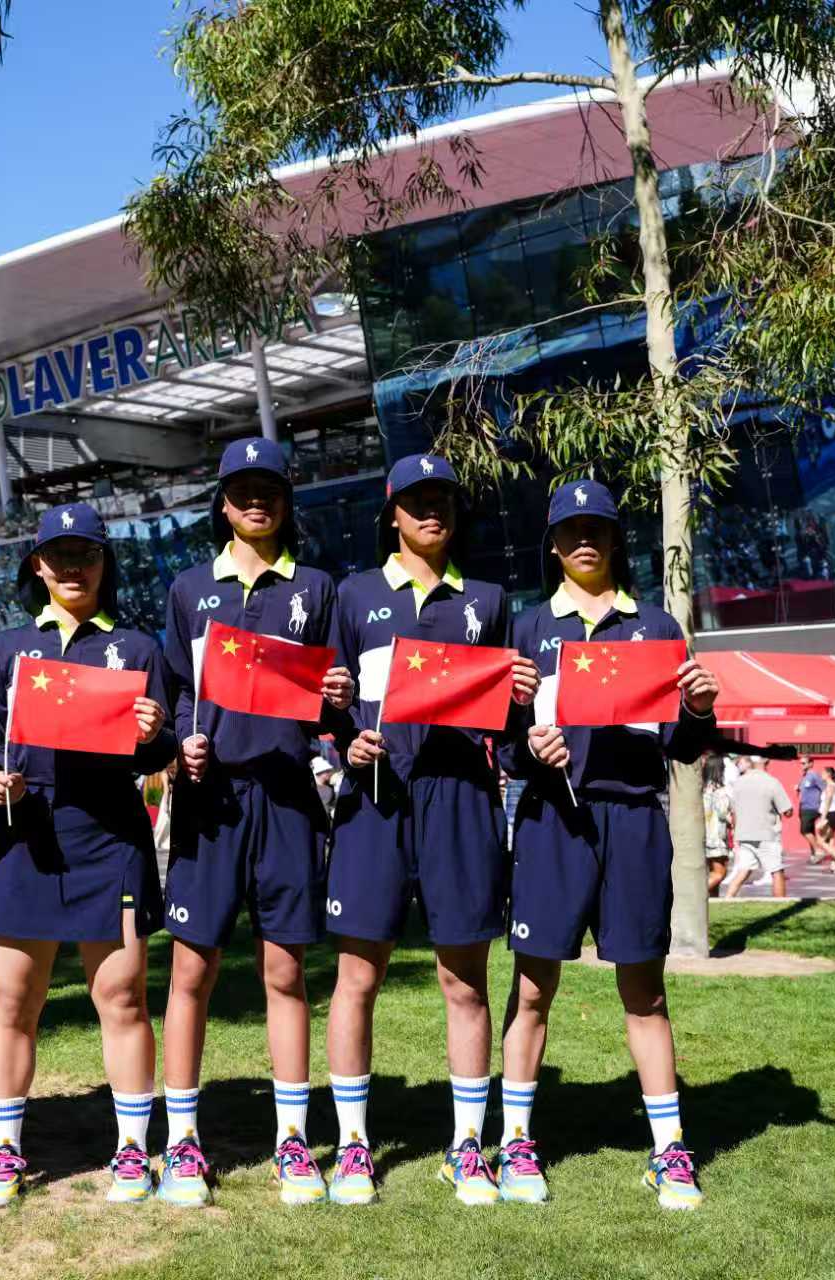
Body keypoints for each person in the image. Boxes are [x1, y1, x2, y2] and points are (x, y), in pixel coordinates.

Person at [317, 454, 539, 1207]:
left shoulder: (487, 600)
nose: (431, 511)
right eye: (416, 501)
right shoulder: (352, 595)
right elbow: (328, 705)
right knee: (358, 977)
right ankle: (353, 1146)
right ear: (392, 513)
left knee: (463, 979)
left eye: (442, 499)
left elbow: (505, 727)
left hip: (461, 800)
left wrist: (520, 701)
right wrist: (343, 739)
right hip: (375, 800)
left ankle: (467, 1147)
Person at [498, 478, 721, 1211]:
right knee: (533, 988)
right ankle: (516, 1143)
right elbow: (506, 750)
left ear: (617, 539)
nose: (585, 539)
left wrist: (697, 708)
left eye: (597, 528)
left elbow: (682, 745)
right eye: (571, 530)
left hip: (633, 823)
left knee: (644, 990)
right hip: (552, 822)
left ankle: (669, 1152)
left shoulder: (656, 628)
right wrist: (529, 744)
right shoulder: (529, 629)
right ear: (553, 545)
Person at [156, 438, 353, 1208]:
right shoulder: (188, 589)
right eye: (242, 490)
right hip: (210, 802)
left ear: (285, 499)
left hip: (287, 799)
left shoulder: (317, 587)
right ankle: (181, 1141)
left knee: (284, 972)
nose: (256, 501)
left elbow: (335, 700)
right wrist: (181, 744)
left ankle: (292, 1141)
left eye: (269, 488)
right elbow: (176, 690)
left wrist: (337, 699)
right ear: (224, 502)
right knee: (191, 971)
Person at [0, 501, 177, 1210]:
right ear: (36, 564)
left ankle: (132, 1152)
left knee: (122, 997)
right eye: (58, 555)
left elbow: (160, 752)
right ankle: (5, 1154)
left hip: (109, 839)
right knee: (11, 1001)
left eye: (86, 554)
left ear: (103, 562)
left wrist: (153, 736)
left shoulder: (138, 648)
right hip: (24, 836)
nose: (72, 566)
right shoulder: (3, 649)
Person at [722, 754, 790, 899]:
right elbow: (787, 810)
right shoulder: (771, 782)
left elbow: (734, 811)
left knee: (744, 869)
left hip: (744, 834)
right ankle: (781, 903)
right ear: (767, 762)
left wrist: (735, 830)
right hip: (766, 833)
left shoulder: (738, 783)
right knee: (777, 871)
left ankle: (728, 898)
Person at [702, 755, 732, 894]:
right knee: (720, 873)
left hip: (703, 835)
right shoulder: (720, 791)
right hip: (716, 836)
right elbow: (723, 813)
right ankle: (693, 897)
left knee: (711, 871)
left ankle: (713, 901)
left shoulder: (701, 789)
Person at [797, 758, 830, 865]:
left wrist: (824, 805)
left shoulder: (814, 776)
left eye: (804, 763)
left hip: (812, 808)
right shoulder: (804, 776)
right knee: (810, 831)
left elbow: (825, 788)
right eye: (801, 763)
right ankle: (814, 855)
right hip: (803, 807)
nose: (801, 765)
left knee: (804, 830)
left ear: (811, 763)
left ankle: (818, 851)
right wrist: (798, 788)